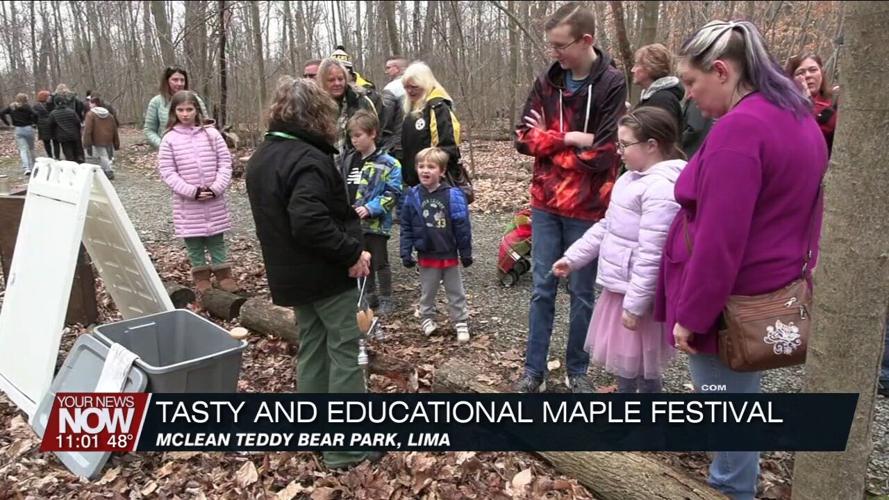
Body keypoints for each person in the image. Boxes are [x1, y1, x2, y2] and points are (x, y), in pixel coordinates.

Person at [654, 20, 827, 499]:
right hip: (766, 296)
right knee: (740, 404)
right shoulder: (796, 117)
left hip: (729, 306)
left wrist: (692, 315)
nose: (687, 96)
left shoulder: (739, 130)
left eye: (691, 82)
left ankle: (730, 490)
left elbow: (719, 240)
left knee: (725, 411)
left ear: (722, 71)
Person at [245, 77, 381, 469]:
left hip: (294, 278)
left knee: (314, 349)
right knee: (346, 352)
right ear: (315, 114)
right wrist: (351, 252)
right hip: (323, 275)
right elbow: (308, 221)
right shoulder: (305, 158)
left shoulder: (264, 156)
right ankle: (346, 449)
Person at [514, 1, 626, 393]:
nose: (555, 53)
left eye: (561, 45)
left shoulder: (612, 83)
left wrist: (549, 141)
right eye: (552, 45)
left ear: (586, 40)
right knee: (542, 288)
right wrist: (570, 138)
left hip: (589, 208)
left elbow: (605, 154)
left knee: (581, 293)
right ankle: (533, 371)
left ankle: (577, 371)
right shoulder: (548, 81)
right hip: (546, 203)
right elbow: (522, 140)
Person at [553, 107, 684, 393]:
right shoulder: (628, 179)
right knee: (627, 366)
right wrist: (573, 257)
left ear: (652, 145)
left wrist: (635, 305)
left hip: (639, 296)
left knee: (645, 371)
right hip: (619, 289)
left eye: (625, 145)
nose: (618, 151)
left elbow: (652, 254)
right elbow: (607, 226)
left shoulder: (661, 189)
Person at [157, 90, 239, 295]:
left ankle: (224, 275)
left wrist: (216, 188)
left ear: (197, 110)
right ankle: (201, 277)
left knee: (216, 240)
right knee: (194, 242)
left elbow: (225, 163)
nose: (185, 114)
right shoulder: (169, 139)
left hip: (214, 199)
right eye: (181, 110)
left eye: (189, 109)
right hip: (188, 203)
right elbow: (167, 172)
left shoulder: (211, 135)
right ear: (174, 112)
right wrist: (192, 192)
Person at [400, 147, 472, 342]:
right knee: (428, 290)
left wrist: (465, 252)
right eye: (421, 166)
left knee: (455, 290)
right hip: (427, 253)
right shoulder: (413, 196)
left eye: (431, 167)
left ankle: (460, 321)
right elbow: (406, 225)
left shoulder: (453, 196)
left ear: (441, 171)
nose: (425, 170)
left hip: (448, 252)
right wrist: (405, 251)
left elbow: (462, 226)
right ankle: (427, 318)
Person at [340, 110, 402, 315]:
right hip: (352, 224)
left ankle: (386, 297)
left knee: (379, 261)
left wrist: (370, 208)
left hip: (376, 224)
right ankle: (368, 293)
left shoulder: (389, 163)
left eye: (359, 135)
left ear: (372, 133)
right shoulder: (347, 161)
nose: (354, 140)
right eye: (352, 136)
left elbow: (393, 193)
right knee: (358, 258)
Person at [400, 62, 462, 187]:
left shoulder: (438, 108)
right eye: (406, 87)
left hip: (435, 184)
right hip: (414, 182)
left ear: (425, 85)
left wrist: (431, 175)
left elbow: (446, 148)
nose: (409, 91)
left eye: (414, 87)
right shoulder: (412, 110)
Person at [316, 58, 379, 156]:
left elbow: (375, 134)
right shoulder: (315, 106)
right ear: (322, 82)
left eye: (340, 79)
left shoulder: (361, 102)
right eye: (331, 80)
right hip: (326, 164)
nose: (337, 83)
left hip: (357, 164)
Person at [144, 66, 208, 150]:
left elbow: (206, 124)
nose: (179, 83)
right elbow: (149, 130)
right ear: (167, 81)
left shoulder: (195, 99)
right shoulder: (156, 102)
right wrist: (163, 145)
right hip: (169, 152)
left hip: (195, 149)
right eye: (175, 80)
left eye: (182, 80)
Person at [785, 54, 837, 154]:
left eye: (813, 70)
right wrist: (806, 100)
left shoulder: (835, 100)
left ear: (821, 72)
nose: (808, 75)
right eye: (800, 72)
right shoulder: (786, 107)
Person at [632, 43, 684, 128]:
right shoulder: (652, 98)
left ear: (650, 68)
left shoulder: (663, 100)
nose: (632, 70)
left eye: (637, 65)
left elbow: (660, 136)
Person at [83, 96, 121, 180]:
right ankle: (105, 170)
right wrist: (116, 142)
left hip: (97, 138)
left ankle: (109, 171)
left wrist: (86, 142)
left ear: (94, 104)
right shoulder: (109, 115)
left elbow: (88, 129)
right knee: (107, 155)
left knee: (103, 156)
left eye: (91, 103)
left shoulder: (90, 115)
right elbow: (114, 129)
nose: (89, 105)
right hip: (109, 138)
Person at [1, 93, 38, 175]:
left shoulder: (12, 107)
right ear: (25, 99)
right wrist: (34, 123)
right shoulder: (27, 107)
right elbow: (35, 114)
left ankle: (26, 168)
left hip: (18, 129)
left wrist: (8, 124)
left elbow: (1, 113)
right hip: (28, 128)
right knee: (31, 148)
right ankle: (34, 165)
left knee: (23, 149)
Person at [380, 56, 408, 160]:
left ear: (396, 68)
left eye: (388, 68)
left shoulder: (391, 88)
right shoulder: (421, 84)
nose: (386, 71)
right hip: (421, 143)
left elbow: (385, 119)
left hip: (397, 145)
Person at [48, 94, 84, 163]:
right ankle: (79, 163)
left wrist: (55, 134)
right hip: (74, 134)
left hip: (62, 136)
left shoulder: (53, 113)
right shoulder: (71, 111)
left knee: (68, 153)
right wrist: (78, 131)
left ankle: (71, 165)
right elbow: (78, 122)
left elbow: (50, 124)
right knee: (77, 150)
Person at [32, 91, 58, 159]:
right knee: (55, 141)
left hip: (42, 125)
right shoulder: (52, 104)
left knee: (46, 142)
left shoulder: (36, 106)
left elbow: (33, 116)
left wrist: (35, 123)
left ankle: (50, 156)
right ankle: (57, 156)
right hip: (53, 123)